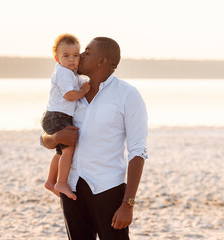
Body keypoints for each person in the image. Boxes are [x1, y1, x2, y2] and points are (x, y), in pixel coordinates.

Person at [41, 37, 148, 240]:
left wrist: (128, 204)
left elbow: (138, 151)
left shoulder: (128, 95)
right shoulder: (72, 92)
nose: (79, 56)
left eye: (87, 52)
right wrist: (56, 137)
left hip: (108, 190)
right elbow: (45, 139)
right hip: (71, 190)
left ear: (102, 62)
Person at [41, 34, 90, 200]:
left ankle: (50, 181)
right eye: (66, 56)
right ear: (57, 58)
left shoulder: (70, 73)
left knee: (61, 152)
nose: (72, 60)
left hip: (58, 116)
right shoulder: (62, 72)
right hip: (57, 116)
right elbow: (69, 95)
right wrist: (83, 91)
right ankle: (61, 182)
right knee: (69, 149)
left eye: (76, 56)